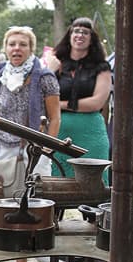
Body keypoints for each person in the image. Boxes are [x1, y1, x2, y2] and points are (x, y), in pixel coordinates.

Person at [0, 25, 59, 262]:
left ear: (31, 48)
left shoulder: (44, 76)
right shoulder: (1, 75)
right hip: (6, 149)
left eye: (22, 44)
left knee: (39, 207)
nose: (17, 48)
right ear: (5, 48)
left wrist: (48, 145)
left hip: (34, 151)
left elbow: (54, 116)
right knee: (15, 205)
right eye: (12, 44)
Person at [45, 17, 111, 175]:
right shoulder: (56, 64)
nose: (80, 35)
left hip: (91, 133)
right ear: (69, 35)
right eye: (76, 31)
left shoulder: (102, 67)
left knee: (92, 182)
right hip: (59, 132)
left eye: (85, 32)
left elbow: (97, 102)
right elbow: (43, 95)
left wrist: (59, 105)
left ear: (92, 39)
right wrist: (50, 70)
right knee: (59, 178)